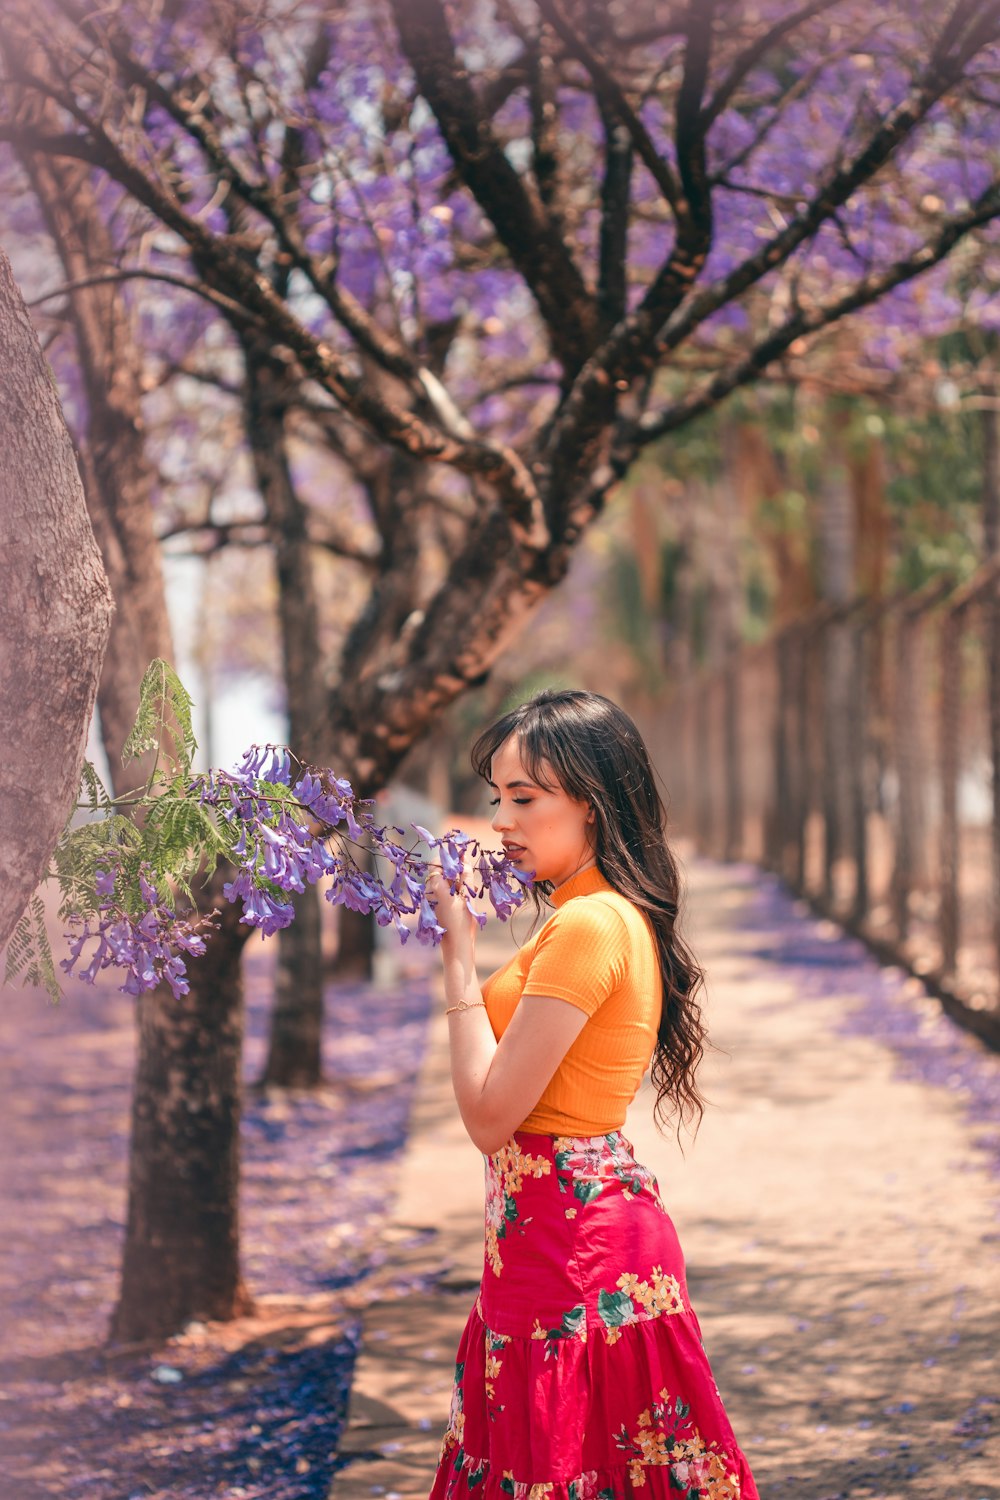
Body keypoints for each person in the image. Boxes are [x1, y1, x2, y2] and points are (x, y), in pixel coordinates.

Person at [426, 689, 759, 1500]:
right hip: (544, 1246)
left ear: (593, 804)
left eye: (525, 798)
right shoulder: (579, 916)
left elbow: (489, 1116)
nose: (501, 820)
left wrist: (458, 961)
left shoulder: (591, 925)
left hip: (579, 1260)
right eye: (497, 796)